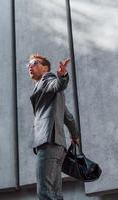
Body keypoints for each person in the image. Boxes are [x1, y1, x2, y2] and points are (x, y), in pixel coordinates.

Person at [28, 53, 80, 200]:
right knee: (55, 194)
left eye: (35, 63)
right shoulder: (53, 95)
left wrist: (62, 75)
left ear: (45, 69)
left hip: (48, 142)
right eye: (29, 64)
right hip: (58, 146)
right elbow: (68, 116)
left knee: (44, 192)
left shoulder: (47, 79)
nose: (30, 66)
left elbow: (58, 83)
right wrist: (75, 136)